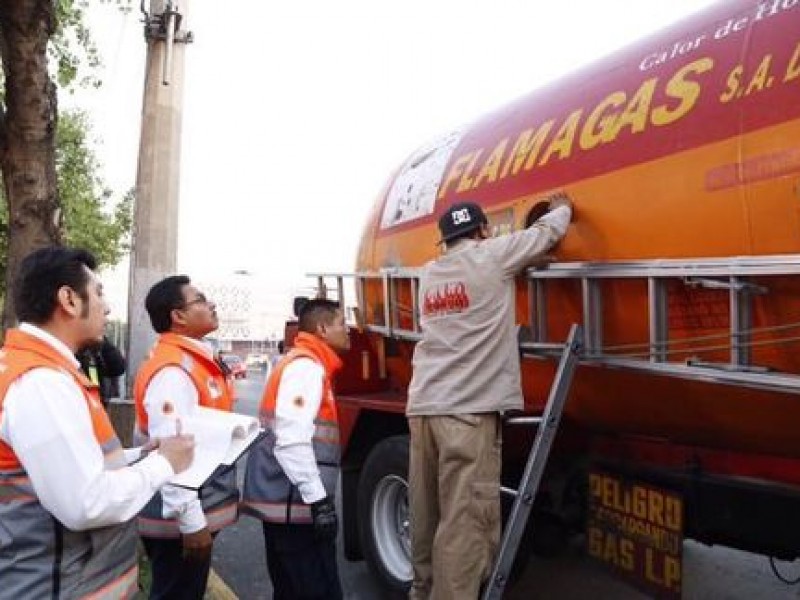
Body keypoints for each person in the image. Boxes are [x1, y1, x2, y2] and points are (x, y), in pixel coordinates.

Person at [0, 246, 195, 599]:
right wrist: (165, 464)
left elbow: (71, 465)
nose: (106, 307)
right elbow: (85, 503)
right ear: (68, 300)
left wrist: (142, 455)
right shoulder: (42, 383)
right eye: (100, 293)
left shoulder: (37, 371)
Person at [406, 196, 573, 599]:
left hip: (424, 409)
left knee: (426, 514)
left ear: (444, 240)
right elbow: (545, 233)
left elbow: (471, 286)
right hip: (466, 414)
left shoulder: (428, 274)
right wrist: (562, 207)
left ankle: (422, 591)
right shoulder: (492, 257)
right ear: (482, 232)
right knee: (464, 524)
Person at [133, 275, 239, 600]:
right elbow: (172, 452)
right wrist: (191, 522)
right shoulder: (172, 371)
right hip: (179, 522)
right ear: (178, 316)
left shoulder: (191, 361)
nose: (212, 305)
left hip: (187, 514)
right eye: (202, 299)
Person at [242, 298, 351, 600]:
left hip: (289, 505)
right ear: (322, 329)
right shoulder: (305, 367)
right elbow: (291, 441)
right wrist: (320, 503)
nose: (348, 330)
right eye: (342, 323)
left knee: (290, 590)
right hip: (295, 508)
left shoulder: (302, 363)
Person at [77, 335, 126, 406]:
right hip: (80, 401)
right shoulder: (71, 348)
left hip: (96, 401)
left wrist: (102, 342)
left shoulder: (96, 347)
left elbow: (118, 368)